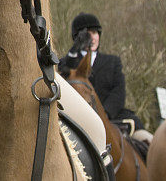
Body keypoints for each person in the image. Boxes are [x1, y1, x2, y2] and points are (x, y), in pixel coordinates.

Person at [59, 12, 153, 144]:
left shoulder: (113, 61)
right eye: (87, 33)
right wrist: (75, 48)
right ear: (77, 37)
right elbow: (65, 72)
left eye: (95, 33)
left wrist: (104, 115)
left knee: (149, 141)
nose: (92, 37)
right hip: (79, 120)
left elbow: (118, 91)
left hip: (113, 116)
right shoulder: (67, 62)